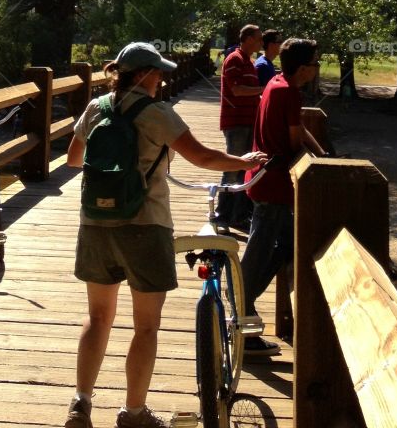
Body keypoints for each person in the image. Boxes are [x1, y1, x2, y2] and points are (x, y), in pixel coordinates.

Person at [64, 41, 267, 428]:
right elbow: (203, 157)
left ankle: (81, 403)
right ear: (143, 75)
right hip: (145, 226)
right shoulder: (157, 113)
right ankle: (133, 412)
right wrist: (243, 161)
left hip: (95, 225)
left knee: (98, 317)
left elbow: (75, 159)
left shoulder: (96, 108)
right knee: (146, 326)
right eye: (157, 72)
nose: (161, 79)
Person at [239, 37, 325, 357]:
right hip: (273, 186)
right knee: (258, 254)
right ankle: (243, 316)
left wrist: (322, 154)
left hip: (264, 181)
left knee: (287, 246)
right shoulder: (287, 92)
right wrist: (315, 164)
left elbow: (298, 129)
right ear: (303, 68)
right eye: (315, 63)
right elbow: (292, 143)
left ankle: (244, 301)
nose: (317, 68)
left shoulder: (277, 82)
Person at [216, 24, 264, 229]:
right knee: (232, 168)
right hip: (236, 122)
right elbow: (236, 90)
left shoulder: (248, 62)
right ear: (249, 39)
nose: (261, 42)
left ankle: (238, 216)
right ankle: (222, 215)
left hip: (247, 122)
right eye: (259, 38)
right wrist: (264, 89)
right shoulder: (234, 59)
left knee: (244, 168)